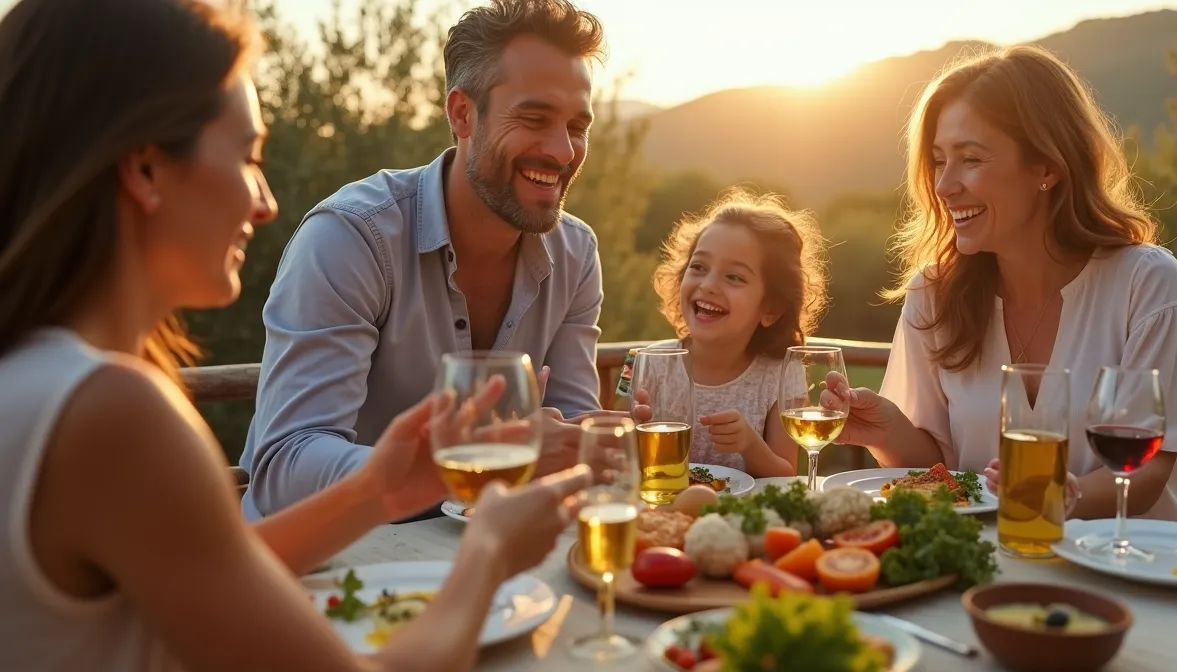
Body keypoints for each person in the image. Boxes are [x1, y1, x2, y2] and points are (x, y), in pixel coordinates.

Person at [0, 1, 589, 670]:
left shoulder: (41, 380)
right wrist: (487, 552)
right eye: (249, 157)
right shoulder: (112, 412)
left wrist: (383, 488)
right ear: (145, 170)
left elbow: (210, 569)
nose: (265, 202)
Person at [239, 0, 614, 521]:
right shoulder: (352, 237)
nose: (563, 150)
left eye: (577, 125)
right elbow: (286, 469)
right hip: (327, 569)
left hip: (479, 560)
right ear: (462, 113)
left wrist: (608, 446)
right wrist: (470, 463)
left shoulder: (576, 252)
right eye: (534, 118)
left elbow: (572, 430)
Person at [826, 45, 1177, 524]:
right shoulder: (933, 294)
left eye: (970, 159)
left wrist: (1059, 497)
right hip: (996, 565)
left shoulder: (1146, 281)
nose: (944, 186)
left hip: (1141, 571)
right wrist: (884, 430)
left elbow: (1146, 469)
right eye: (940, 160)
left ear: (1046, 167)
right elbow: (935, 474)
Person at [618, 189, 829, 478]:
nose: (708, 285)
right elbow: (613, 456)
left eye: (734, 277)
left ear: (771, 308)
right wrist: (628, 437)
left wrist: (750, 445)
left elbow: (786, 476)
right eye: (699, 267)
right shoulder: (638, 362)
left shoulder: (782, 376)